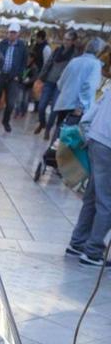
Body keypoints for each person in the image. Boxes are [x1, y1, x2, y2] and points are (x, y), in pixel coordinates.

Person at [65, 85, 111, 266]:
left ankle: (78, 242)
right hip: (108, 145)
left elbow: (89, 115)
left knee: (92, 197)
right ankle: (93, 251)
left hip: (97, 140)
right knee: (106, 201)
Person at [52, 37, 106, 133]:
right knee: (66, 139)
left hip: (64, 102)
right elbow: (89, 86)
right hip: (77, 107)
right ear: (99, 51)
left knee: (58, 134)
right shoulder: (95, 64)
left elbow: (61, 82)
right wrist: (81, 106)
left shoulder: (74, 60)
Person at [0, 19, 27, 134]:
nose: (12, 34)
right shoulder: (1, 44)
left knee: (10, 103)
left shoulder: (22, 47)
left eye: (14, 32)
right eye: (10, 32)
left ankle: (5, 121)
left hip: (13, 79)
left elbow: (24, 63)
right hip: (0, 76)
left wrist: (19, 76)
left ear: (18, 34)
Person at [34, 30, 77, 135]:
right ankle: (42, 123)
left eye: (68, 40)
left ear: (73, 41)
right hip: (49, 81)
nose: (65, 42)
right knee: (41, 106)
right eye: (64, 39)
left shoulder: (74, 55)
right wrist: (41, 77)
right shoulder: (57, 50)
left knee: (54, 109)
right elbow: (48, 63)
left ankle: (48, 130)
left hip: (60, 85)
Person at [15, 28, 49, 117]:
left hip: (38, 73)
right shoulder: (36, 46)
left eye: (37, 37)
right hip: (31, 72)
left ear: (41, 38)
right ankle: (22, 110)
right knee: (30, 94)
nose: (36, 39)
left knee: (36, 92)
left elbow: (46, 62)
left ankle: (35, 108)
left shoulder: (46, 48)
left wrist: (42, 74)